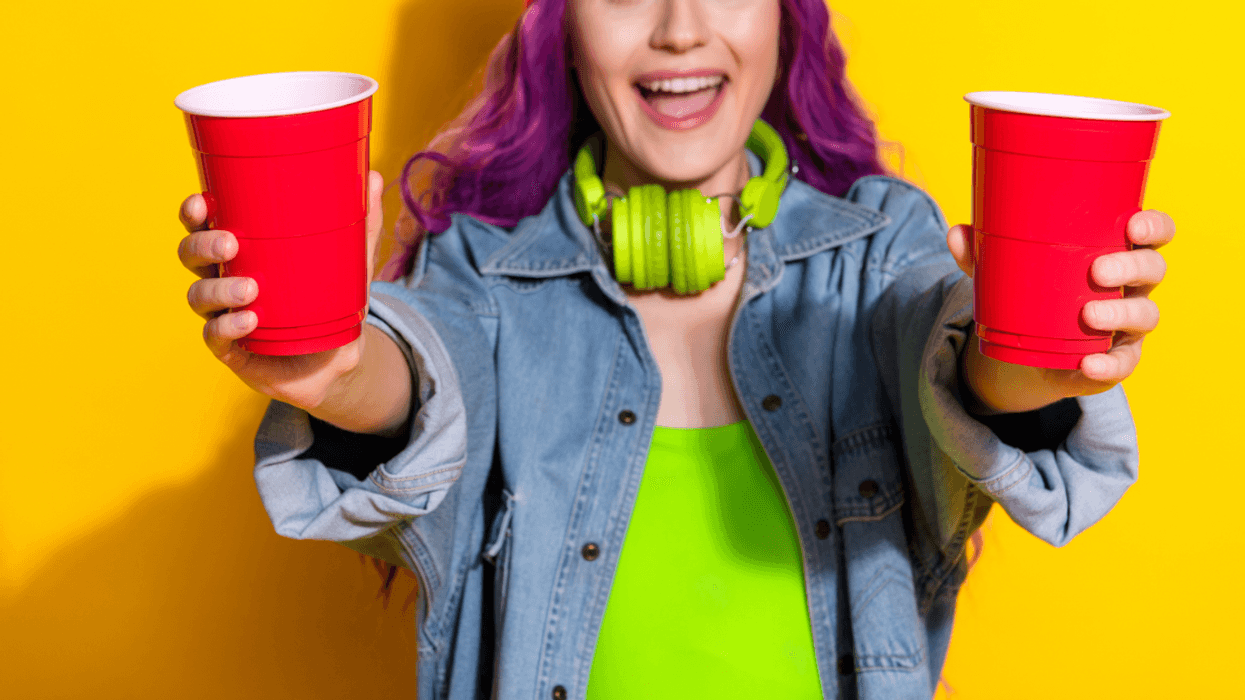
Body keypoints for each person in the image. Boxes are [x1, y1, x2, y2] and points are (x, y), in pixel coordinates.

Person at [175, 0, 1174, 698]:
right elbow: (422, 370)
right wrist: (338, 367)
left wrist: (1033, 355)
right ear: (563, 31)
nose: (681, 28)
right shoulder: (483, 274)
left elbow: (953, 353)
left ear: (785, 17)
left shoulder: (875, 253)